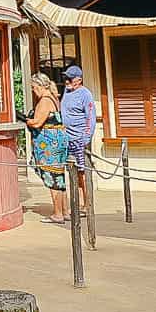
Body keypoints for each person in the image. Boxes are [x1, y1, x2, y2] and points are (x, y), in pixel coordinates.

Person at [26, 74, 71, 223]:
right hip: (59, 140)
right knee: (59, 176)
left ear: (39, 86)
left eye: (33, 88)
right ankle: (65, 211)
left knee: (52, 176)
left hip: (49, 143)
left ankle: (58, 213)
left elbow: (38, 123)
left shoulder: (45, 101)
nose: (33, 91)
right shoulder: (54, 98)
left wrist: (26, 120)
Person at [60, 65, 98, 218]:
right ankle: (77, 202)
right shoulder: (66, 92)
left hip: (79, 139)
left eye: (70, 78)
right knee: (72, 172)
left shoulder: (85, 94)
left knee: (82, 173)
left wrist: (86, 138)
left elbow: (91, 117)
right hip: (67, 138)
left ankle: (87, 204)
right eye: (66, 78)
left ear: (79, 80)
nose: (67, 81)